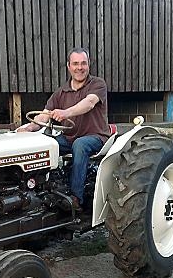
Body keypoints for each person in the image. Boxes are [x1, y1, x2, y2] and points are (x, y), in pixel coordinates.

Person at [17, 47, 110, 211]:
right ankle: (35, 190)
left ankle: (75, 198)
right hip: (69, 138)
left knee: (80, 145)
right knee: (44, 145)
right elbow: (45, 115)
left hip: (95, 137)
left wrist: (66, 112)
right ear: (69, 66)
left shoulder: (97, 84)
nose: (79, 68)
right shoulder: (61, 93)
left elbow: (88, 103)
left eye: (83, 63)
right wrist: (29, 127)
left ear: (89, 65)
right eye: (75, 64)